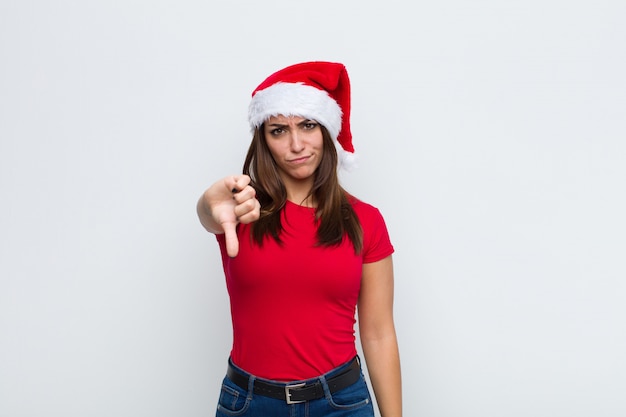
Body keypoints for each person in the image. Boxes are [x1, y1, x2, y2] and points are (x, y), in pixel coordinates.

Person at [197, 61, 402, 417]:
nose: (296, 144)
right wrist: (207, 204)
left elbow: (379, 333)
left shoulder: (365, 220)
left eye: (307, 125)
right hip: (249, 403)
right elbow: (210, 215)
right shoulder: (241, 210)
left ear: (326, 130)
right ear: (264, 139)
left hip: (341, 403)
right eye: (278, 130)